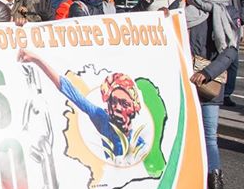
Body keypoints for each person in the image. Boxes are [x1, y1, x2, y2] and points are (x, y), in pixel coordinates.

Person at [18, 48, 147, 164]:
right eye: (114, 102)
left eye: (124, 104)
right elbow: (70, 91)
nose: (118, 108)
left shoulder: (141, 145)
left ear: (134, 107)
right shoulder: (102, 119)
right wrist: (37, 60)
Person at [187, 0, 241, 189]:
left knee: (209, 136)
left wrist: (207, 73)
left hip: (209, 84)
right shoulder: (185, 7)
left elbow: (229, 52)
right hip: (183, 79)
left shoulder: (227, 13)